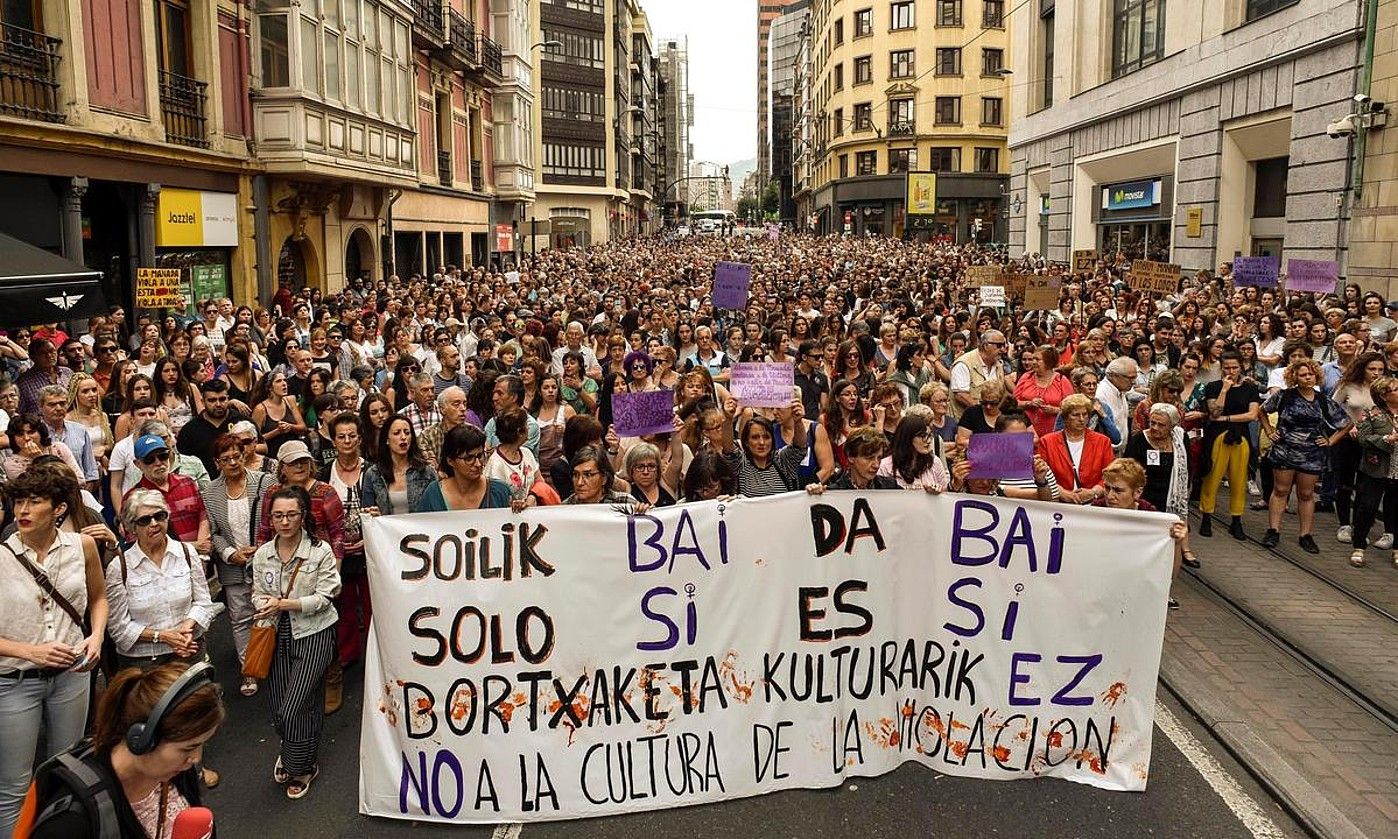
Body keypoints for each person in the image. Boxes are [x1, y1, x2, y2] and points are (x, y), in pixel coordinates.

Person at [0, 467, 107, 839]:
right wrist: (31, 652)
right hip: (14, 682)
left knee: (65, 769)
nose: (22, 510)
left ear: (59, 508)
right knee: (14, 785)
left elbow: (99, 597)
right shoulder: (1, 556)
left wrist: (96, 637)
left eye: (34, 501)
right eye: (18, 501)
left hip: (72, 675)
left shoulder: (83, 546)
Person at [23, 662, 224, 839]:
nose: (196, 759)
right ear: (142, 740)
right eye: (188, 748)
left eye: (201, 745)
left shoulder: (173, 772)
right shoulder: (71, 821)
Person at [251, 485, 342, 800]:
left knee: (295, 706)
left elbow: (327, 594)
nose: (285, 521)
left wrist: (283, 604)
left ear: (304, 516)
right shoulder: (263, 553)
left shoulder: (320, 551)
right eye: (278, 515)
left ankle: (300, 765)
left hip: (315, 632)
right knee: (280, 706)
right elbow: (257, 593)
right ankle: (296, 750)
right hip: (275, 633)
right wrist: (266, 604)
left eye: (291, 514)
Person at [106, 489, 216, 671]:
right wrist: (164, 636)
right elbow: (118, 628)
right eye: (144, 520)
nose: (154, 523)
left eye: (160, 516)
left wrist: (186, 630)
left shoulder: (187, 553)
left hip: (190, 651)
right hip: (144, 664)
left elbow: (204, 603)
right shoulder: (120, 567)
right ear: (131, 527)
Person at [202, 433, 273, 696]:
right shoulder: (210, 491)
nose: (232, 462)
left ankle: (275, 664)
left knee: (270, 613)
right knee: (240, 617)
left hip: (266, 561)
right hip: (233, 566)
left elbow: (275, 519)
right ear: (217, 462)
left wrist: (262, 549)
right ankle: (249, 670)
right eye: (226, 459)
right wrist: (231, 553)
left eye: (237, 456)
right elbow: (214, 532)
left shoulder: (265, 483)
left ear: (244, 455)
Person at [1260, 359, 1348, 554]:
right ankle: (1273, 530)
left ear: (1316, 375)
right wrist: (1268, 430)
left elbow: (1345, 422)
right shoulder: (1284, 396)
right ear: (1294, 377)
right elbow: (1262, 410)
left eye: (1310, 374)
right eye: (1302, 375)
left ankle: (1305, 534)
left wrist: (1330, 441)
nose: (1307, 378)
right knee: (1281, 490)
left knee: (1306, 494)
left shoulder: (1323, 400)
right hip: (1285, 449)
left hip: (1311, 452)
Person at [1125, 403, 1197, 574]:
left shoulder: (1180, 439)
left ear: (1172, 426)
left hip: (1170, 504)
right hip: (1145, 503)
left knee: (1167, 549)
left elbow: (1187, 469)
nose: (1155, 428)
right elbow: (1128, 471)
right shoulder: (1139, 440)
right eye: (1152, 423)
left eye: (1161, 425)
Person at [1197, 352, 1262, 540]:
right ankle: (1206, 517)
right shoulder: (1213, 386)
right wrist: (1224, 390)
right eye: (1227, 367)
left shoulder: (1250, 388)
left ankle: (1236, 520)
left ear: (1241, 367)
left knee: (1238, 480)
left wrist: (1227, 418)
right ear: (1221, 368)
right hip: (1217, 437)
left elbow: (1252, 415)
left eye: (1234, 367)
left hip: (1240, 437)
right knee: (1212, 477)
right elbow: (1214, 411)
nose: (1231, 371)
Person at [416, 424, 516, 511]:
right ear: (450, 461)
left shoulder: (500, 491)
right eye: (469, 458)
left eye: (480, 456)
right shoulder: (434, 494)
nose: (478, 464)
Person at [1038, 393, 1114, 504]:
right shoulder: (1047, 442)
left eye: (1085, 414)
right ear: (1065, 417)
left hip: (1093, 504)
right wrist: (1061, 492)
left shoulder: (1103, 441)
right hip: (1059, 503)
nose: (1082, 419)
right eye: (1076, 415)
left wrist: (1093, 492)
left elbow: (1110, 476)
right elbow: (1042, 475)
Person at [722, 405, 809, 498]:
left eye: (766, 437)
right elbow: (728, 449)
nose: (762, 442)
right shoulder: (741, 463)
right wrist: (728, 418)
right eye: (755, 437)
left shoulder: (782, 460)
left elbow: (799, 447)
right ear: (746, 442)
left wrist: (798, 421)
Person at [360, 415, 436, 517]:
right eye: (397, 433)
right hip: (386, 531)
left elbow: (437, 513)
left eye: (407, 433)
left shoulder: (427, 472)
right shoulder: (373, 474)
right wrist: (375, 515)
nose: (403, 437)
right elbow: (366, 513)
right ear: (387, 440)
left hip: (421, 530)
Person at [176, 379, 245, 477]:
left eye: (222, 399)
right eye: (212, 400)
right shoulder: (190, 430)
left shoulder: (241, 421)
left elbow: (262, 446)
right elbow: (183, 460)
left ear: (228, 399)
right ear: (202, 401)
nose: (218, 404)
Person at [808, 426, 899, 491]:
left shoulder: (890, 487)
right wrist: (814, 496)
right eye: (869, 458)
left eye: (879, 458)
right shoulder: (834, 492)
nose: (876, 465)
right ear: (851, 457)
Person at [1, 412, 84, 483]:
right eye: (20, 434)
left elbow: (80, 480)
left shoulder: (59, 448)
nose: (26, 438)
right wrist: (39, 459)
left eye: (31, 432)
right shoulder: (12, 464)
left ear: (40, 432)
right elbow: (40, 488)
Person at [878, 411, 949, 492]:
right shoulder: (884, 467)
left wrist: (936, 492)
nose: (928, 441)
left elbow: (945, 494)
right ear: (908, 437)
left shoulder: (934, 462)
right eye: (922, 436)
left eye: (929, 435)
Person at [1014, 345, 1073, 438]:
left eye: (1037, 359)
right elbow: (1013, 403)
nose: (1033, 362)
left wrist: (1055, 410)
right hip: (1026, 432)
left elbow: (1071, 409)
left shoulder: (1062, 380)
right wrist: (1028, 404)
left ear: (1048, 362)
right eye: (1033, 359)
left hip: (1054, 433)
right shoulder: (1026, 377)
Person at [252, 371, 309, 459]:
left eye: (285, 380)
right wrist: (277, 431)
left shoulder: (290, 401)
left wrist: (290, 427)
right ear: (270, 387)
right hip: (273, 455)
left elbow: (303, 428)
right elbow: (255, 440)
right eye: (279, 381)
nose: (284, 384)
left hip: (293, 452)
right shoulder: (260, 409)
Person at [563, 446, 638, 505]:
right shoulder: (565, 508)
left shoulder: (624, 502)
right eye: (576, 475)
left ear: (604, 478)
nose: (579, 482)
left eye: (588, 475)